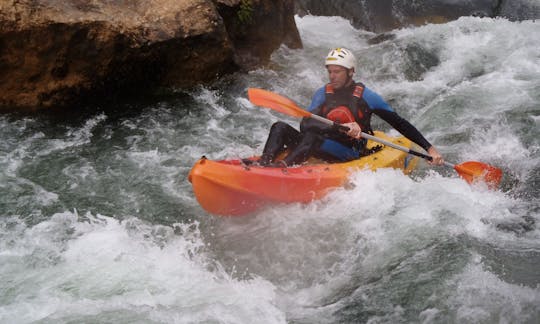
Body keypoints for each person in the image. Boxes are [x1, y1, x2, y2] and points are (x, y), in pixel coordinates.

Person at [257, 47, 444, 167]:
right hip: (317, 142)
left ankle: (282, 168)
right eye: (330, 72)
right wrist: (340, 127)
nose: (332, 76)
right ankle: (263, 163)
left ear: (350, 72)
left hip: (348, 150)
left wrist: (430, 149)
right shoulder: (322, 93)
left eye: (337, 72)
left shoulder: (367, 96)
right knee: (279, 127)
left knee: (312, 137)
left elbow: (399, 123)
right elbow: (305, 125)